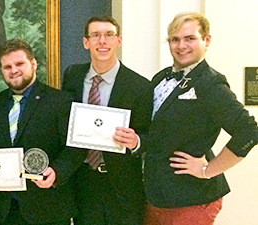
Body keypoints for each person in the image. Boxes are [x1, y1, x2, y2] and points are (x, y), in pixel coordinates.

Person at [142, 12, 258, 225]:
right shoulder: (160, 78)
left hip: (191, 199)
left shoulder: (210, 84)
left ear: (207, 40)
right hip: (156, 195)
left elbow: (249, 131)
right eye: (175, 39)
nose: (181, 45)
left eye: (190, 38)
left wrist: (208, 170)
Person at [0, 39, 85, 225]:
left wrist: (57, 173)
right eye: (7, 66)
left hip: (49, 208)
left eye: (19, 63)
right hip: (6, 210)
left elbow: (74, 148)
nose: (14, 70)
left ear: (33, 63)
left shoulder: (60, 101)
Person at [61, 16, 150, 225]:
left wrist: (136, 141)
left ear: (118, 41)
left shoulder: (140, 86)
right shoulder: (72, 76)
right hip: (83, 181)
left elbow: (149, 134)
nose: (102, 41)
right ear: (86, 42)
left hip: (122, 185)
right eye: (96, 35)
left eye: (109, 35)